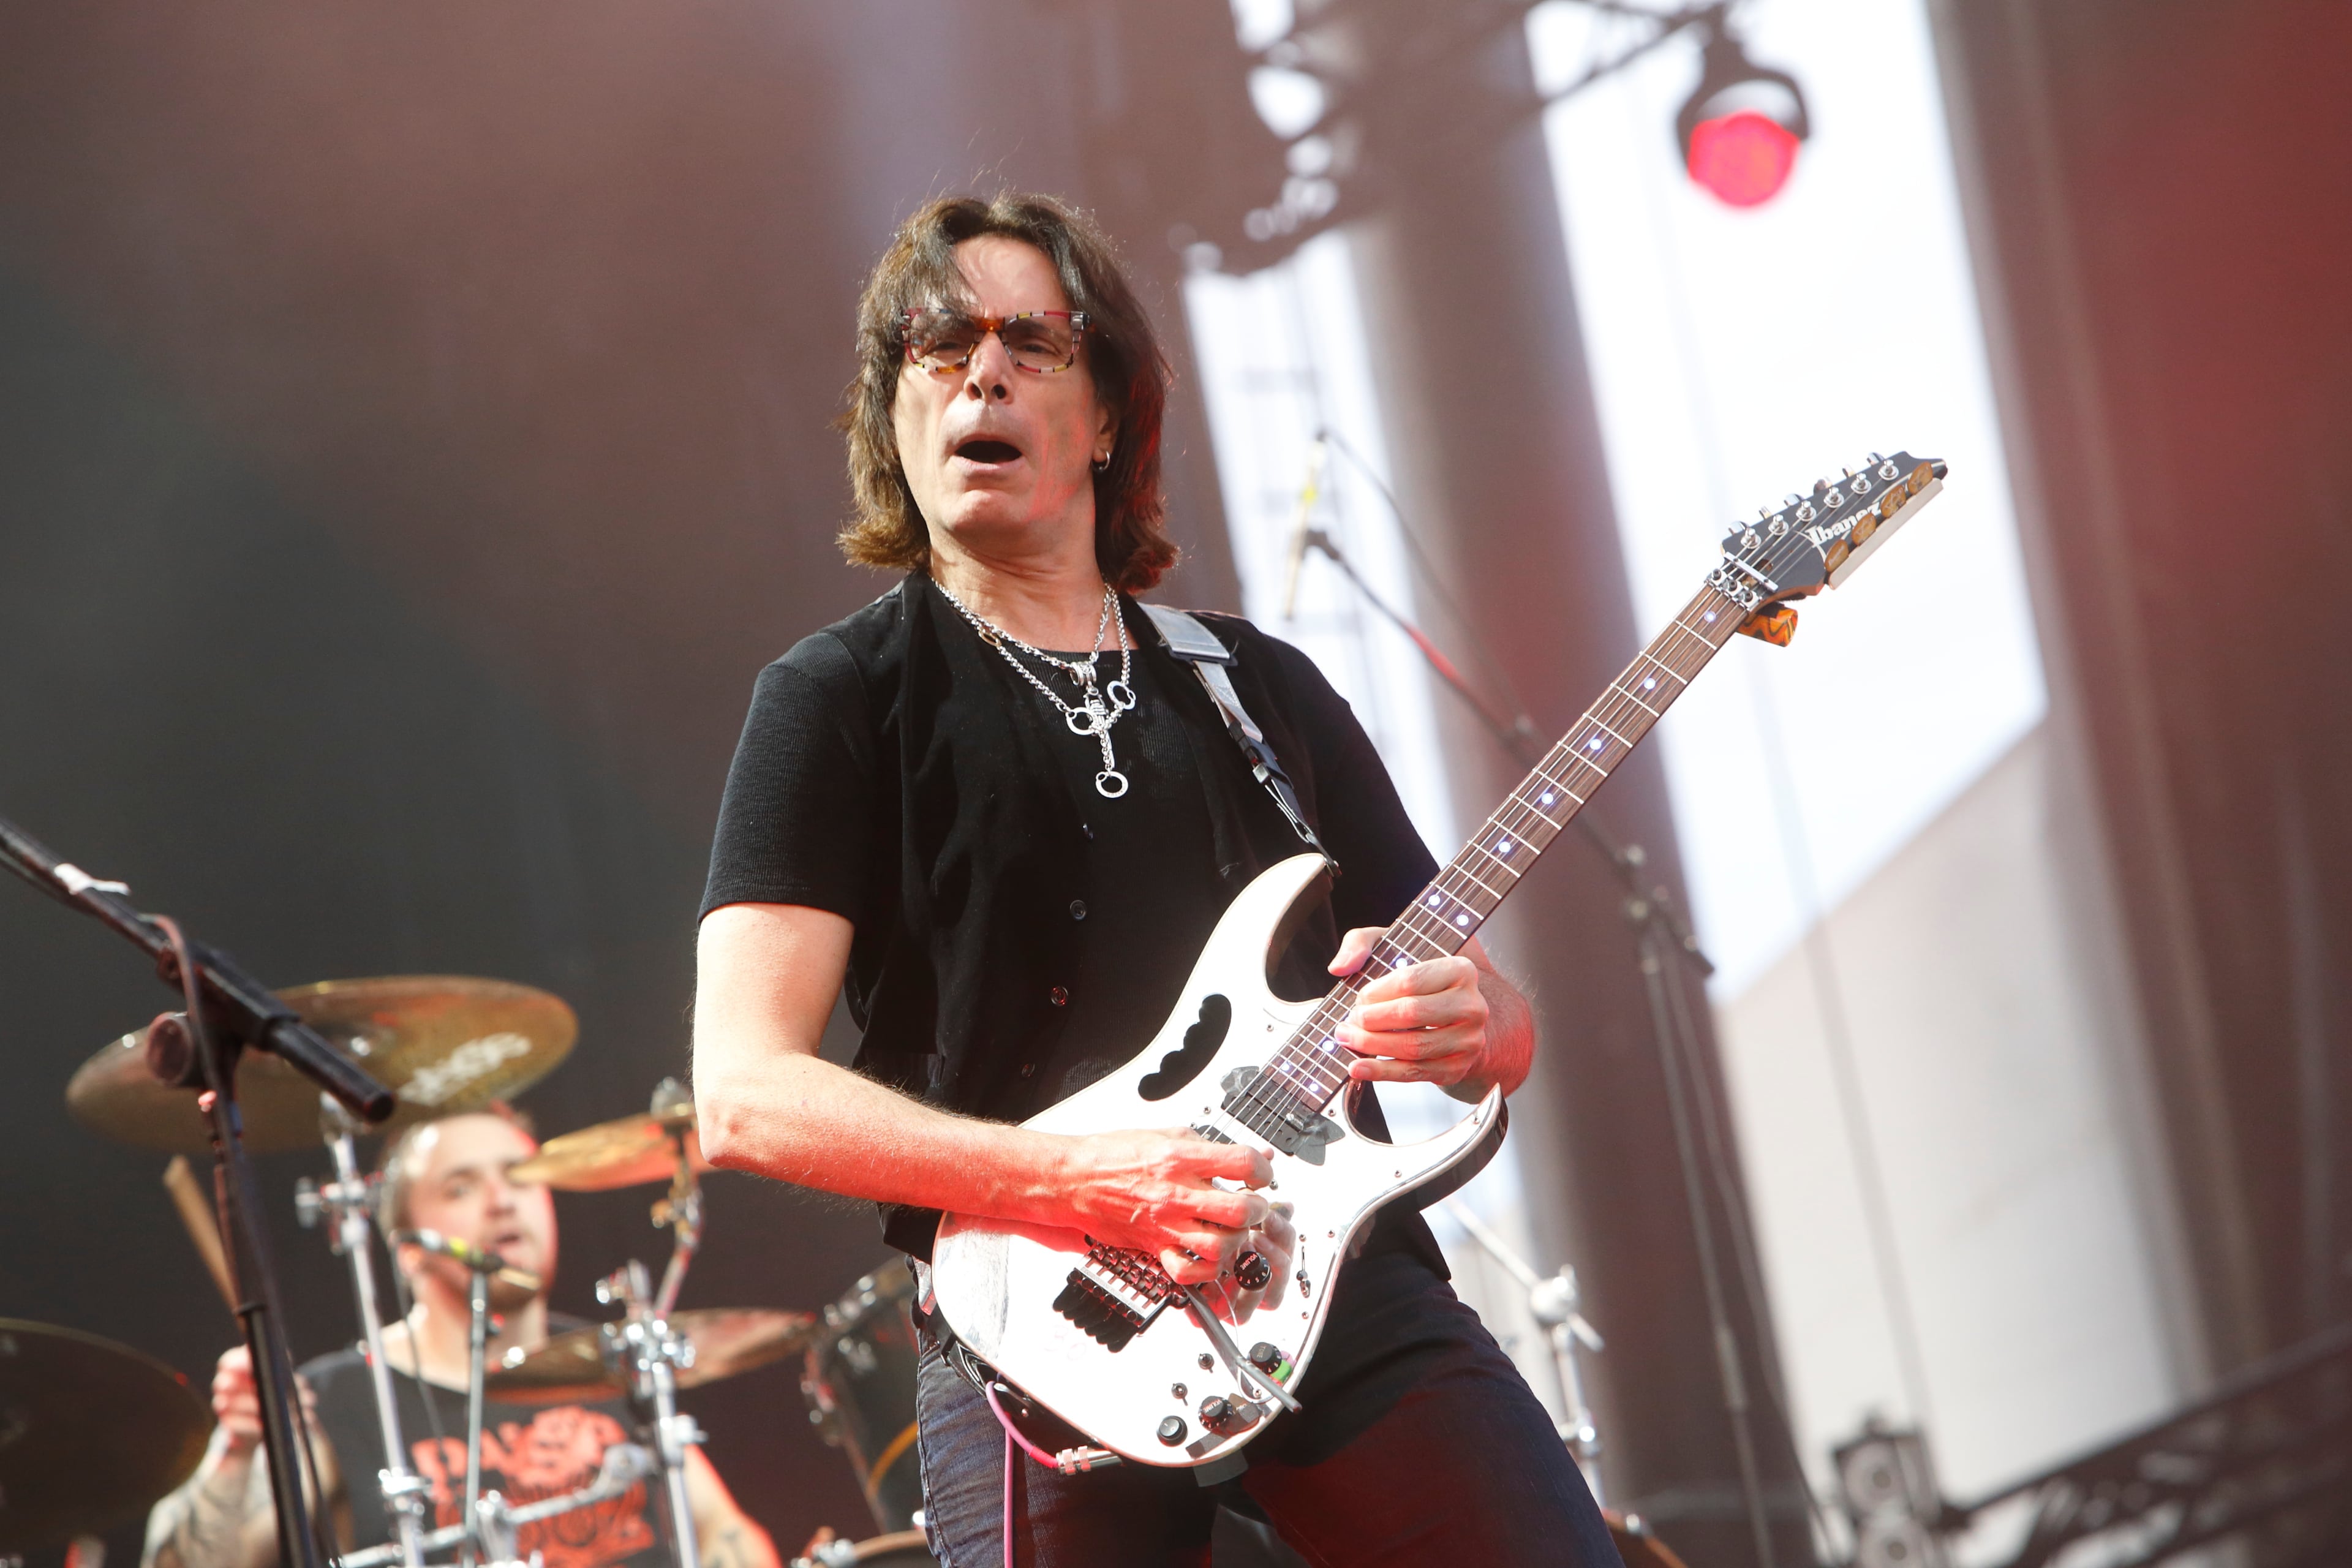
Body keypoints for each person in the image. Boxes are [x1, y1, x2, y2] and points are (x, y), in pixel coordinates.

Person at [690, 190, 1620, 1567]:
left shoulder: (1255, 687)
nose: (981, 371)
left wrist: (1482, 1025)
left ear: (1113, 414)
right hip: (1046, 1324)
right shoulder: (837, 701)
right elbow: (745, 1092)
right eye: (936, 347)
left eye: (1030, 341)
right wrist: (1073, 1180)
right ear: (893, 411)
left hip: (1333, 1279)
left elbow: (1485, 1010)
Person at [143, 1109, 780, 1568]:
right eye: (461, 1186)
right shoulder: (339, 1395)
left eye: (520, 1175)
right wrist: (236, 1452)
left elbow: (725, 1533)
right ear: (407, 1250)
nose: (503, 1200)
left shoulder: (611, 1357)